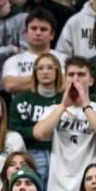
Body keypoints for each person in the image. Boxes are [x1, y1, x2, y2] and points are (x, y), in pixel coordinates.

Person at [34, 57, 96, 191]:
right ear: (65, 79)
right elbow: (39, 134)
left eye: (81, 74)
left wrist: (85, 104)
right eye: (71, 75)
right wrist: (63, 105)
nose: (75, 79)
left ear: (91, 81)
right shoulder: (54, 110)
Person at [8, 53, 64, 181]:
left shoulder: (65, 100)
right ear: (34, 72)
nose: (45, 72)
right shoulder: (21, 99)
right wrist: (35, 132)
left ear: (58, 72)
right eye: (40, 68)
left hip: (61, 155)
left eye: (50, 68)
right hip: (30, 153)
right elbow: (14, 130)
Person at [1, 9, 60, 94]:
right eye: (33, 28)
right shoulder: (13, 61)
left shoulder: (62, 59)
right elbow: (10, 85)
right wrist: (51, 79)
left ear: (52, 35)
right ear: (26, 33)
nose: (38, 33)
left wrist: (23, 82)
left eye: (43, 29)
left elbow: (65, 84)